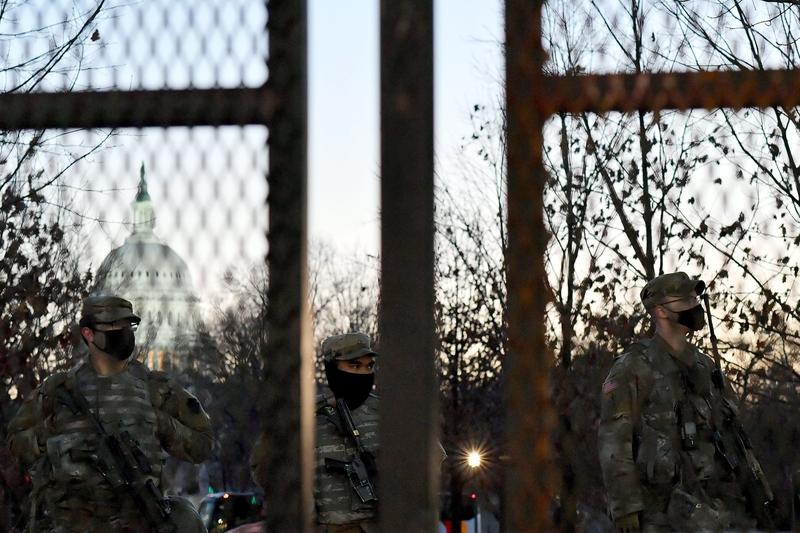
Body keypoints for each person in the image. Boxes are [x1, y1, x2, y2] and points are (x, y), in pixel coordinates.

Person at [7, 295, 213, 533]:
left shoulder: (154, 387)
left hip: (138, 521)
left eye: (129, 326)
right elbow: (13, 447)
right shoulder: (59, 390)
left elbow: (203, 444)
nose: (124, 331)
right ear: (88, 334)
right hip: (72, 524)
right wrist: (52, 429)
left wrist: (160, 422)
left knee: (186, 519)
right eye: (115, 325)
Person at [598, 272, 771, 533]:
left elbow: (732, 430)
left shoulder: (705, 366)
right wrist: (625, 507)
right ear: (660, 311)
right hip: (662, 512)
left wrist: (757, 488)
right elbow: (613, 436)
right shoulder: (633, 367)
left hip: (718, 509)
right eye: (685, 299)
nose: (695, 305)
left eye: (695, 297)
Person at [251, 332, 380, 533]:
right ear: (332, 369)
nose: (363, 373)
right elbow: (263, 470)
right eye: (354, 366)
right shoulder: (306, 416)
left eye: (369, 366)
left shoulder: (388, 413)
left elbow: (428, 467)